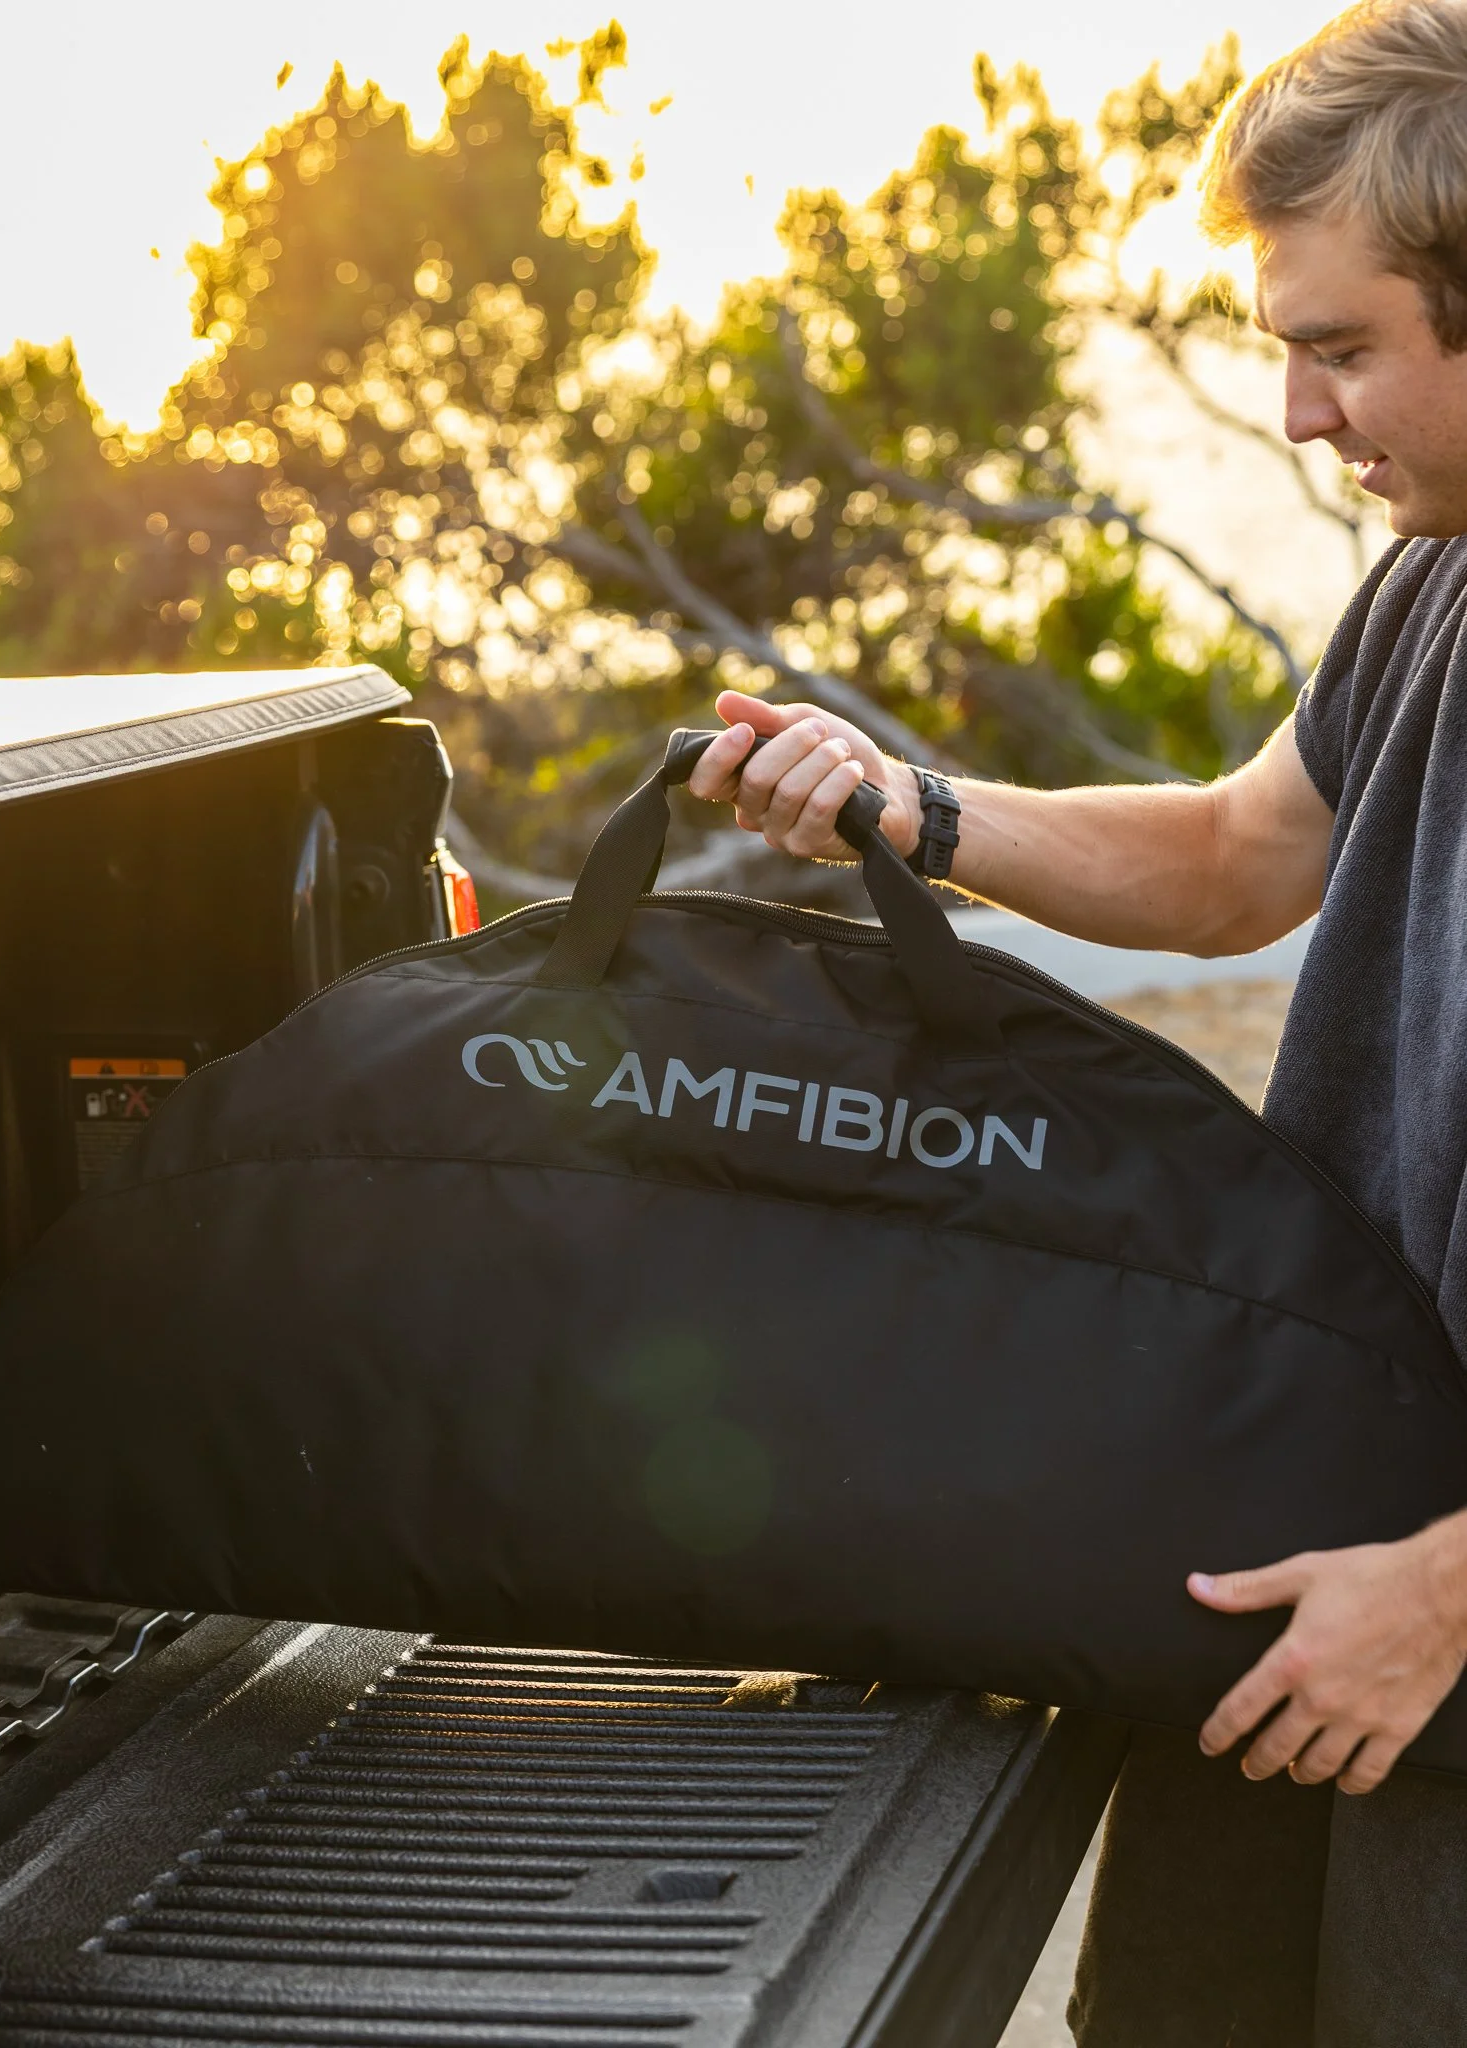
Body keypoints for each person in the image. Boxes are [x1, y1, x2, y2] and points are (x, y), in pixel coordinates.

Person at [687, 4, 1467, 2041]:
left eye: (1346, 346)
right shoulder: (1427, 590)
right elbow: (1230, 852)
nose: (1301, 414)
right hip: (1321, 1563)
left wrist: (1451, 1593)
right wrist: (915, 808)